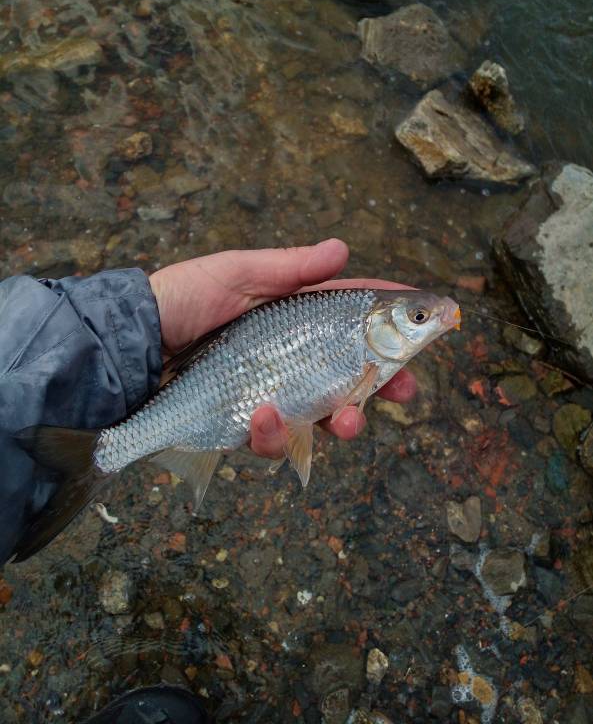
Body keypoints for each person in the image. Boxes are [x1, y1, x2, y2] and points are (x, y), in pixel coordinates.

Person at [0, 238, 416, 723]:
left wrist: (136, 326)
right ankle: (94, 456)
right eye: (417, 321)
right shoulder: (362, 344)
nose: (425, 326)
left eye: (417, 319)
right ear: (380, 325)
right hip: (208, 393)